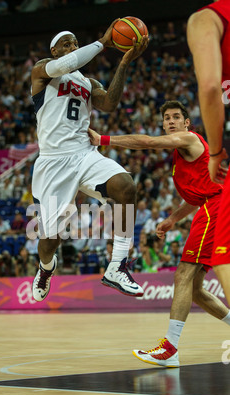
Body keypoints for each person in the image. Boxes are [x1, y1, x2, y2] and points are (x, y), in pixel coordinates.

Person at [89, 100, 230, 367]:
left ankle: (170, 348)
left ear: (187, 123)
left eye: (176, 117)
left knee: (183, 275)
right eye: (166, 118)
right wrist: (172, 219)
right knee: (195, 289)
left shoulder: (188, 139)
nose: (171, 121)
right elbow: (194, 197)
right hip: (214, 206)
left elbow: (149, 143)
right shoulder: (181, 156)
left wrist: (104, 139)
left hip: (219, 206)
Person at [30, 22, 148, 302]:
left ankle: (118, 265)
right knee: (49, 241)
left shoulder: (87, 82)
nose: (72, 47)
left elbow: (109, 104)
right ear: (54, 50)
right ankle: (46, 267)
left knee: (126, 186)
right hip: (53, 163)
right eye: (67, 44)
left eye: (75, 43)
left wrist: (123, 63)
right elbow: (67, 63)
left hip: (84, 154)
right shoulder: (42, 71)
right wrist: (103, 42)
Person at [187, 0, 230, 395]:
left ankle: (168, 346)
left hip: (225, 178)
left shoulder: (206, 17)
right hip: (199, 207)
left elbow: (211, 87)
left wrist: (216, 151)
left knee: (226, 263)